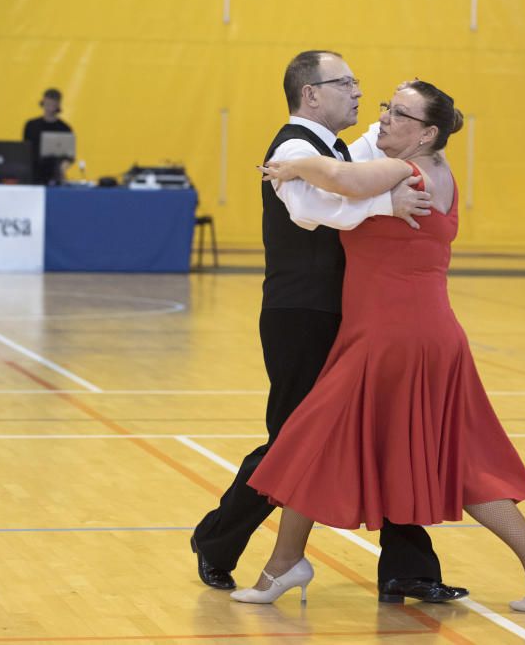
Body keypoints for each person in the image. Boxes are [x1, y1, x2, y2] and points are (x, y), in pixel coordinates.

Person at [232, 80, 525, 614]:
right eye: (386, 107)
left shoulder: (403, 171)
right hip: (405, 332)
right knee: (376, 447)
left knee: (316, 436)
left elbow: (341, 177)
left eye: (399, 113)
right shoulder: (436, 173)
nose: (385, 118)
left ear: (427, 133)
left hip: (396, 337)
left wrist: (291, 164)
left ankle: (284, 564)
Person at [191, 51, 468, 605]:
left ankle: (406, 567)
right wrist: (386, 204)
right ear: (312, 94)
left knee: (386, 431)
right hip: (301, 313)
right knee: (294, 439)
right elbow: (314, 210)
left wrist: (408, 116)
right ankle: (218, 539)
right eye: (346, 83)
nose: (360, 93)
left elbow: (376, 150)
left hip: (347, 314)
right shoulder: (293, 148)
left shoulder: (339, 146)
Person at [22, 88, 74, 185]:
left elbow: (69, 156)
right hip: (32, 174)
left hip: (54, 175)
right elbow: (24, 150)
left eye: (53, 104)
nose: (50, 107)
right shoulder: (31, 125)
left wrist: (62, 169)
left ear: (58, 105)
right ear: (43, 103)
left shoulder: (65, 128)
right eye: (48, 103)